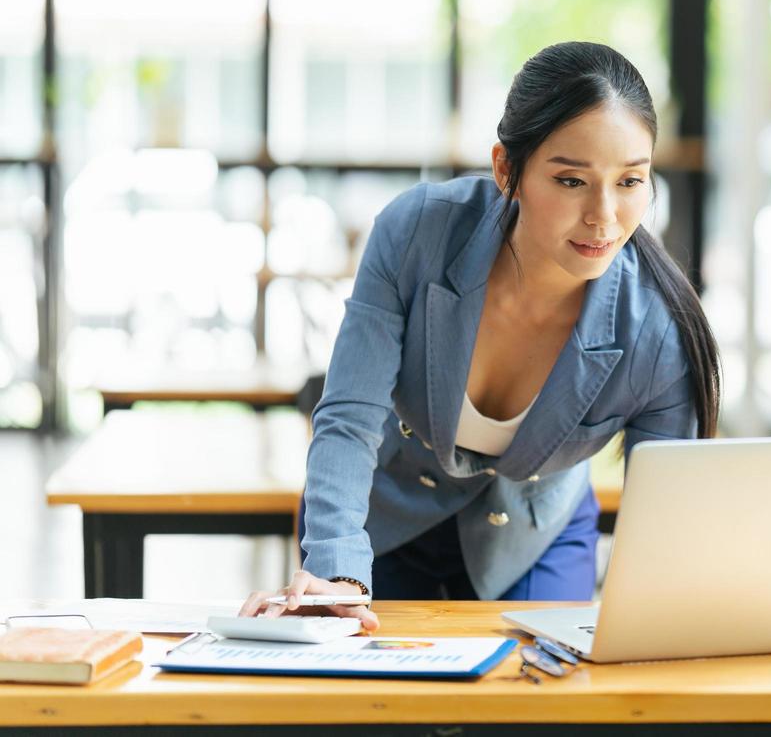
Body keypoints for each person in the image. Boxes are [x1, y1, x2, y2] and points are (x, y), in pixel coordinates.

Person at [239, 41, 720, 630]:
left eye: (630, 182)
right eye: (571, 181)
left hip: (534, 533)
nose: (604, 215)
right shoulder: (417, 231)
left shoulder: (660, 330)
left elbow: (666, 526)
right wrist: (338, 569)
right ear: (505, 170)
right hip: (377, 516)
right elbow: (349, 415)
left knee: (546, 708)